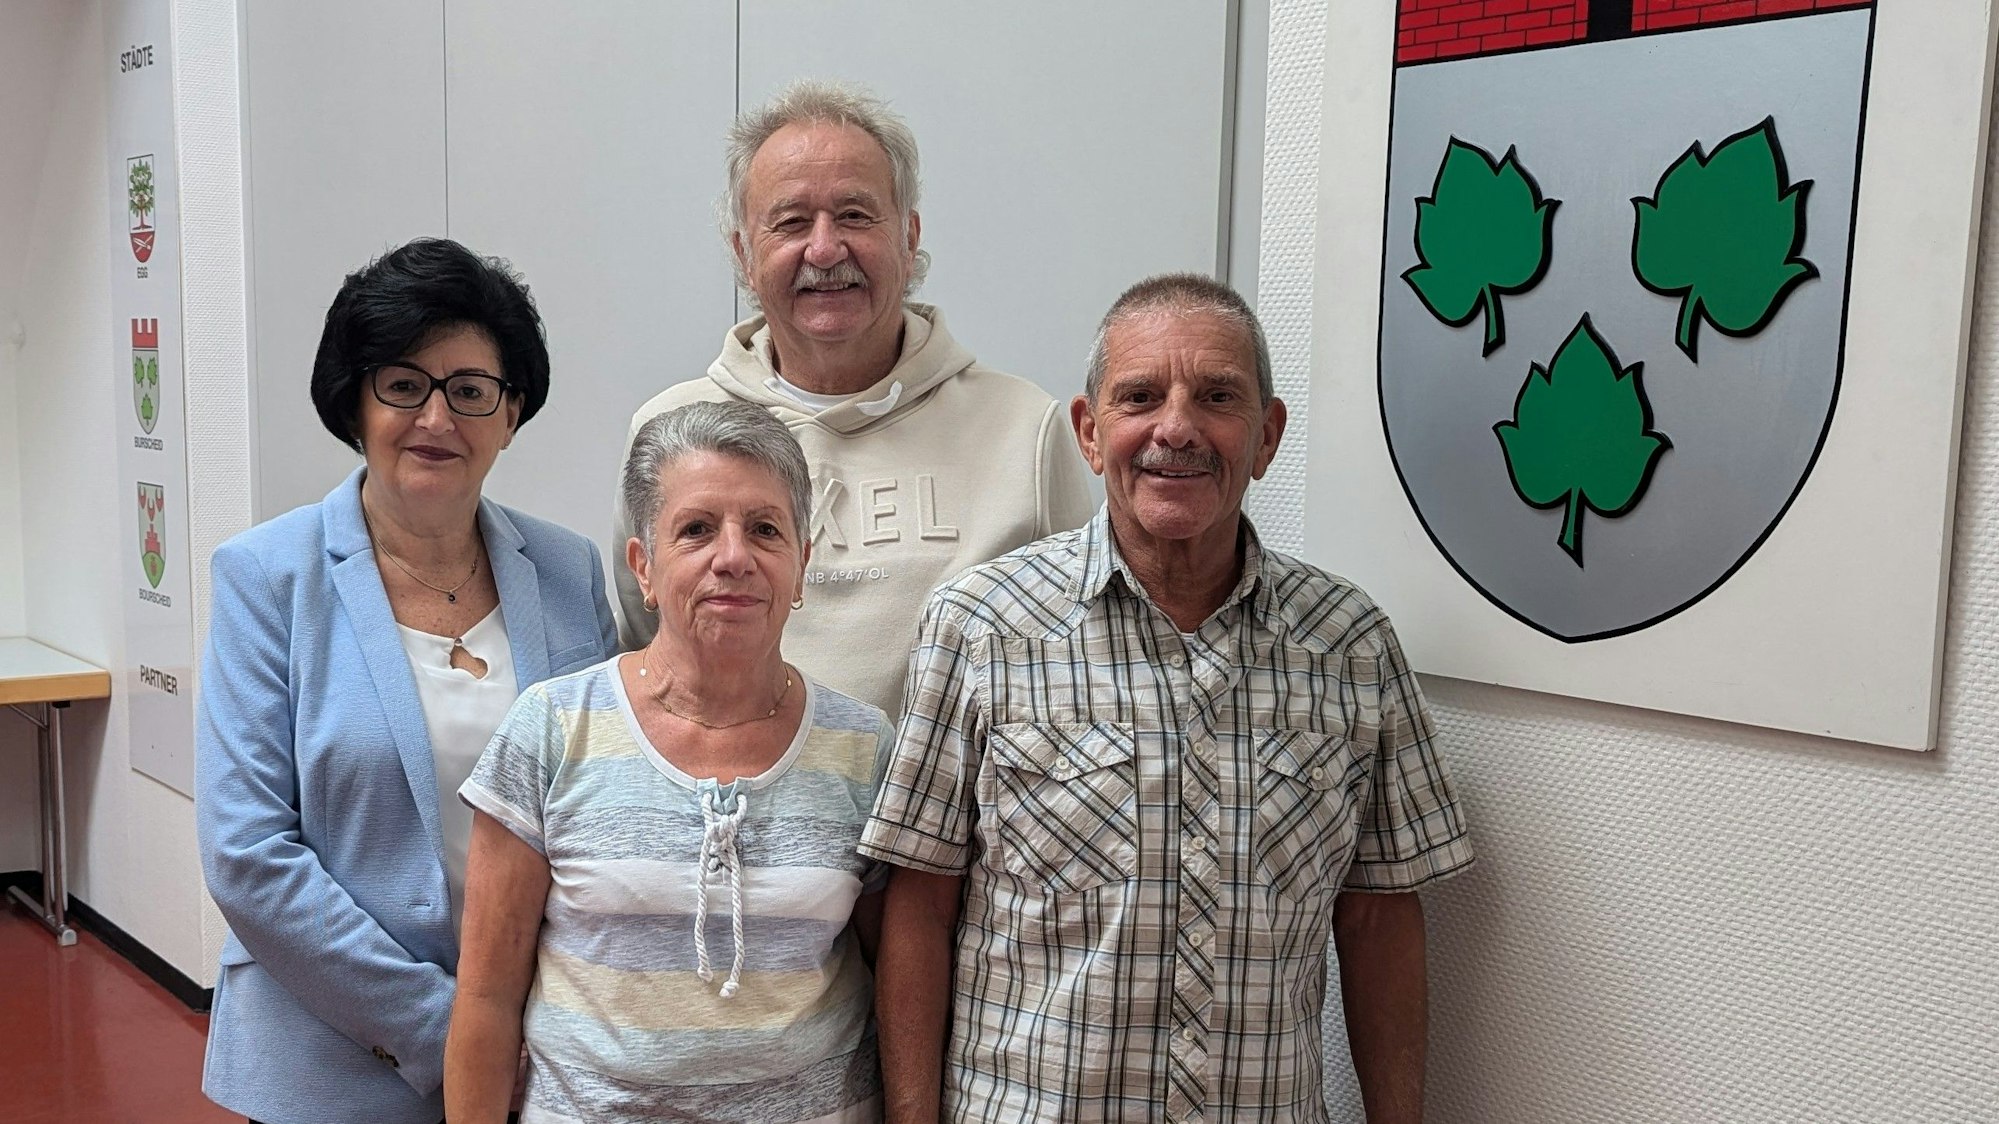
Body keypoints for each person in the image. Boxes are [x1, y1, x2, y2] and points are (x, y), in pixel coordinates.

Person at [863, 275, 1476, 1124]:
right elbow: (919, 907)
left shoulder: (1351, 644)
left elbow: (1378, 921)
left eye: (1216, 397)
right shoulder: (979, 628)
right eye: (1140, 397)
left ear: (1265, 437)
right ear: (1089, 430)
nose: (1176, 428)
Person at [195, 238, 618, 1124]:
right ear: (355, 400)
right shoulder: (267, 577)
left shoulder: (569, 570)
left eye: (470, 391)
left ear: (512, 413)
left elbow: (604, 803)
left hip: (552, 1059)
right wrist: (449, 1029)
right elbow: (248, 855)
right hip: (334, 1059)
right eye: (403, 384)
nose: (437, 418)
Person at [448, 400, 894, 1123]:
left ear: (802, 563)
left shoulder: (865, 747)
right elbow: (486, 997)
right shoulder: (552, 729)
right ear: (643, 566)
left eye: (765, 530)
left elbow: (893, 977)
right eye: (695, 530)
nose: (733, 557)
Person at [614, 79, 1095, 717]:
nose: (824, 248)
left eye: (855, 215)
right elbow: (646, 653)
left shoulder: (1023, 432)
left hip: (956, 815)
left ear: (909, 235)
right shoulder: (672, 433)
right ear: (744, 252)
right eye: (790, 222)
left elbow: (1076, 665)